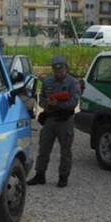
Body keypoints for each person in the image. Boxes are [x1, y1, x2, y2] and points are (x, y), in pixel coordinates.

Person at [27, 55, 81, 188]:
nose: (59, 72)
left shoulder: (73, 83)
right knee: (43, 148)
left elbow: (73, 102)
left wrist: (58, 104)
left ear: (66, 68)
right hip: (50, 119)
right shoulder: (47, 82)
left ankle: (63, 177)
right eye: (56, 70)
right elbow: (41, 100)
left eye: (61, 69)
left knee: (65, 151)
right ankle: (40, 174)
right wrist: (48, 104)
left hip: (65, 120)